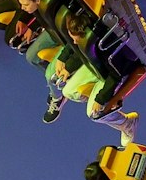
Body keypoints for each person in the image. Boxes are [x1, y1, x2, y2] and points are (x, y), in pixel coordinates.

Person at [49, 13, 139, 143]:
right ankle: (96, 96)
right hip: (97, 67)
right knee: (67, 92)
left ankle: (127, 123)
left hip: (112, 74)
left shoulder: (107, 48)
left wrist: (101, 98)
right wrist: (67, 66)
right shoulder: (86, 37)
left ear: (86, 37)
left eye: (76, 39)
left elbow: (115, 76)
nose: (74, 42)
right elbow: (79, 49)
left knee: (94, 114)